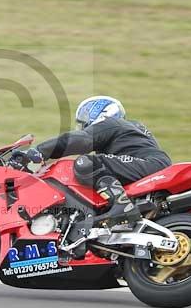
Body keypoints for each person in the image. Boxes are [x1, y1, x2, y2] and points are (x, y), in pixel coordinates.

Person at [12, 95, 171, 227]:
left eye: (83, 122)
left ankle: (122, 206)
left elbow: (80, 140)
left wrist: (39, 151)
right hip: (150, 165)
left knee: (85, 163)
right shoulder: (130, 129)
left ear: (100, 114)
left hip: (149, 164)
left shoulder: (112, 123)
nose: (83, 127)